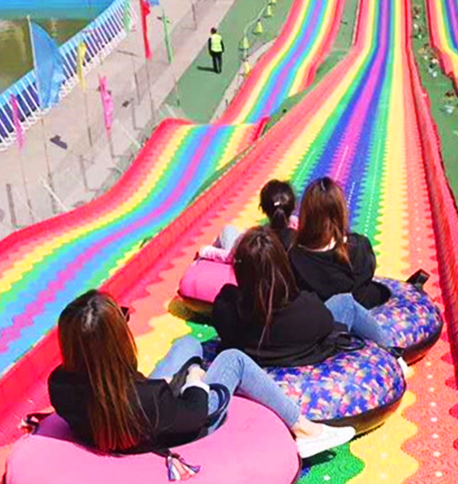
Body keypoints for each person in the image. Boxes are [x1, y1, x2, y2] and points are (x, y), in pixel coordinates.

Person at [48, 290, 354, 461]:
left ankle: (191, 366)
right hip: (180, 427)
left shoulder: (59, 384)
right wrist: (193, 379)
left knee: (187, 344)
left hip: (143, 408)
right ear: (116, 342)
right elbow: (193, 415)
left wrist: (163, 386)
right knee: (232, 360)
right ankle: (305, 430)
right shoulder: (148, 399)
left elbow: (131, 397)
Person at [212, 226, 394, 367]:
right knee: (345, 301)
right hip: (305, 357)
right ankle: (393, 352)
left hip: (260, 360)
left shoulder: (226, 308)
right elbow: (326, 327)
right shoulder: (308, 308)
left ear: (240, 270)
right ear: (282, 265)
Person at [289, 176, 391, 309]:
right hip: (361, 308)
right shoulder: (359, 246)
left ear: (306, 214)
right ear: (340, 211)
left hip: (322, 313)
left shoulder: (295, 256)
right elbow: (367, 274)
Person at [199, 179, 298, 263]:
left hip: (252, 270)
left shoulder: (258, 240)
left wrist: (206, 251)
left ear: (262, 208)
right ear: (294, 206)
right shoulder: (298, 233)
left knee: (228, 230)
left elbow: (231, 257)